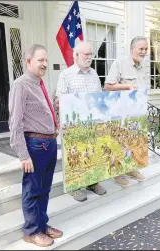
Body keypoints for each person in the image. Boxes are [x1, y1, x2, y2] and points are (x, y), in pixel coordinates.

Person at [9, 44, 63, 247]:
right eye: (41, 60)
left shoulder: (39, 83)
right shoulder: (21, 84)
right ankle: (31, 231)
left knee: (44, 189)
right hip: (35, 146)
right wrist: (23, 155)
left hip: (48, 143)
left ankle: (42, 224)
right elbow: (15, 122)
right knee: (32, 189)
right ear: (28, 61)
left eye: (46, 60)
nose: (45, 64)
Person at [53, 41, 107, 202]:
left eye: (91, 54)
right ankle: (74, 187)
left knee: (92, 152)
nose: (89, 57)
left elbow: (99, 96)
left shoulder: (94, 74)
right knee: (74, 155)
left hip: (91, 123)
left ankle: (92, 182)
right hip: (73, 124)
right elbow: (59, 100)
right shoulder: (66, 74)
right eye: (86, 54)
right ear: (76, 55)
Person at [104, 36, 149, 188]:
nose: (144, 52)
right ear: (132, 49)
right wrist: (127, 87)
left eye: (145, 49)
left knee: (133, 143)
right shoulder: (120, 63)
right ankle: (118, 173)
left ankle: (132, 169)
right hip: (120, 113)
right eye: (141, 49)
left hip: (136, 113)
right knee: (120, 143)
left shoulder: (143, 66)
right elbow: (108, 86)